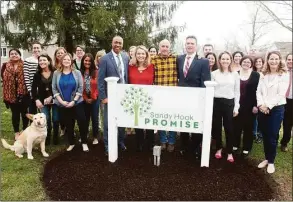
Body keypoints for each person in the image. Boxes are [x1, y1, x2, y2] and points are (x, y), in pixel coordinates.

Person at [177, 35, 211, 158]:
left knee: (196, 123)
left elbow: (205, 81)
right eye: (188, 43)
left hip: (197, 98)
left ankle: (195, 148)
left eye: (192, 43)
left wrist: (203, 99)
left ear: (196, 46)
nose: (189, 45)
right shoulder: (179, 59)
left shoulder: (203, 61)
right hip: (182, 98)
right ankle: (184, 146)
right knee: (184, 122)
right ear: (185, 45)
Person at [256, 51, 289, 174]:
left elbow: (281, 94)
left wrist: (268, 105)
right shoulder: (263, 74)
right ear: (267, 60)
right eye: (271, 59)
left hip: (276, 108)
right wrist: (260, 104)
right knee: (265, 134)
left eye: (276, 59)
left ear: (280, 60)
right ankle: (266, 158)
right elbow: (258, 91)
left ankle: (271, 162)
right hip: (262, 108)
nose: (273, 61)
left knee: (272, 135)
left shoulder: (284, 74)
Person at [98, 36, 129, 156]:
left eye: (120, 43)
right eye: (116, 42)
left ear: (122, 44)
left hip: (123, 96)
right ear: (112, 43)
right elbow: (100, 80)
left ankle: (120, 142)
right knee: (108, 122)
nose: (118, 45)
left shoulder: (125, 57)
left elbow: (126, 77)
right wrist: (103, 97)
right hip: (110, 97)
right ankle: (107, 146)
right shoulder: (105, 59)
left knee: (121, 121)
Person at [52, 53, 89, 152]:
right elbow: (54, 89)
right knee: (69, 124)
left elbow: (81, 88)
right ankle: (71, 143)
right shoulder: (56, 73)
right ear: (61, 61)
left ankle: (84, 143)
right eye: (65, 59)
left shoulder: (76, 72)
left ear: (71, 61)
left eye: (68, 59)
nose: (66, 61)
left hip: (77, 103)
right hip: (63, 104)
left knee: (82, 122)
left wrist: (74, 101)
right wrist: (61, 102)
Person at [211, 51, 240, 163]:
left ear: (231, 60)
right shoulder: (214, 74)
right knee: (217, 128)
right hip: (216, 103)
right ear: (219, 60)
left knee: (229, 128)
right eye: (223, 59)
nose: (225, 61)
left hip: (229, 103)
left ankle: (229, 151)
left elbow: (237, 92)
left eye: (227, 59)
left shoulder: (235, 74)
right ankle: (218, 149)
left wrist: (236, 107)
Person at [151, 39, 177, 152]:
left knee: (172, 118)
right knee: (161, 117)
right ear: (159, 47)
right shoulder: (153, 59)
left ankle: (171, 141)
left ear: (169, 47)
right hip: (159, 94)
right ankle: (163, 140)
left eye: (167, 46)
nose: (165, 48)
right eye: (163, 46)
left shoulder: (176, 58)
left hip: (173, 94)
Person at [128, 45, 155, 152]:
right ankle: (139, 142)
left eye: (143, 53)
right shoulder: (130, 66)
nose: (141, 55)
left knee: (149, 122)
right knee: (137, 121)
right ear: (135, 55)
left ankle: (150, 143)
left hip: (148, 98)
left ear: (146, 55)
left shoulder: (151, 66)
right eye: (138, 53)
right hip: (134, 98)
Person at [233, 56, 260, 155]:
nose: (246, 63)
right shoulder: (235, 74)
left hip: (250, 106)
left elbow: (258, 91)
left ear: (251, 64)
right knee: (236, 125)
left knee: (248, 127)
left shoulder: (256, 75)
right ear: (241, 62)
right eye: (244, 61)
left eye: (249, 62)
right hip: (237, 104)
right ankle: (235, 144)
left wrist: (256, 105)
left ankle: (247, 147)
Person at [2, 49, 29, 139]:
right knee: (15, 114)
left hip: (23, 94)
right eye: (12, 54)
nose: (14, 55)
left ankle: (25, 129)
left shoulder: (25, 65)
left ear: (20, 55)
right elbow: (3, 79)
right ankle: (16, 132)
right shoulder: (5, 66)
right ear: (9, 56)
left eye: (16, 53)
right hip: (11, 94)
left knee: (24, 113)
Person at [31, 54, 59, 145]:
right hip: (42, 101)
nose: (42, 62)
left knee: (55, 119)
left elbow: (58, 87)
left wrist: (52, 96)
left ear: (49, 61)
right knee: (45, 119)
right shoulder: (37, 74)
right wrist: (36, 100)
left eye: (44, 60)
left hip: (55, 99)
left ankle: (55, 137)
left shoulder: (55, 72)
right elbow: (33, 89)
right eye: (40, 61)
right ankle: (47, 138)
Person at [80, 53, 100, 145]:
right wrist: (85, 98)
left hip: (95, 99)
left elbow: (99, 86)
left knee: (95, 118)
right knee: (85, 118)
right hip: (83, 99)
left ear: (92, 62)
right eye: (85, 60)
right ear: (83, 61)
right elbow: (79, 87)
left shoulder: (96, 72)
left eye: (89, 61)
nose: (87, 62)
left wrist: (93, 97)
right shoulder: (79, 72)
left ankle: (95, 136)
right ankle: (85, 134)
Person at [23, 41, 42, 115]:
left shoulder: (43, 59)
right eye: (34, 48)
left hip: (42, 90)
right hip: (32, 90)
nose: (36, 49)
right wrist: (30, 91)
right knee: (32, 112)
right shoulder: (27, 60)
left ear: (41, 49)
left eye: (38, 48)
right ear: (32, 49)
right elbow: (26, 76)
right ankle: (33, 126)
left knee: (42, 112)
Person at [280, 53, 292, 152]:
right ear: (286, 60)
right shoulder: (281, 71)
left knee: (288, 124)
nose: (290, 61)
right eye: (289, 59)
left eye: (292, 59)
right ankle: (272, 140)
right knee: (277, 122)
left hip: (291, 101)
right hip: (280, 100)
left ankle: (284, 143)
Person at [253, 56, 265, 143]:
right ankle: (254, 133)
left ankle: (260, 135)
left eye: (260, 61)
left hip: (262, 97)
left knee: (261, 118)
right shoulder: (252, 73)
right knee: (254, 117)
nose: (258, 63)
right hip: (253, 97)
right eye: (256, 61)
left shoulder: (265, 73)